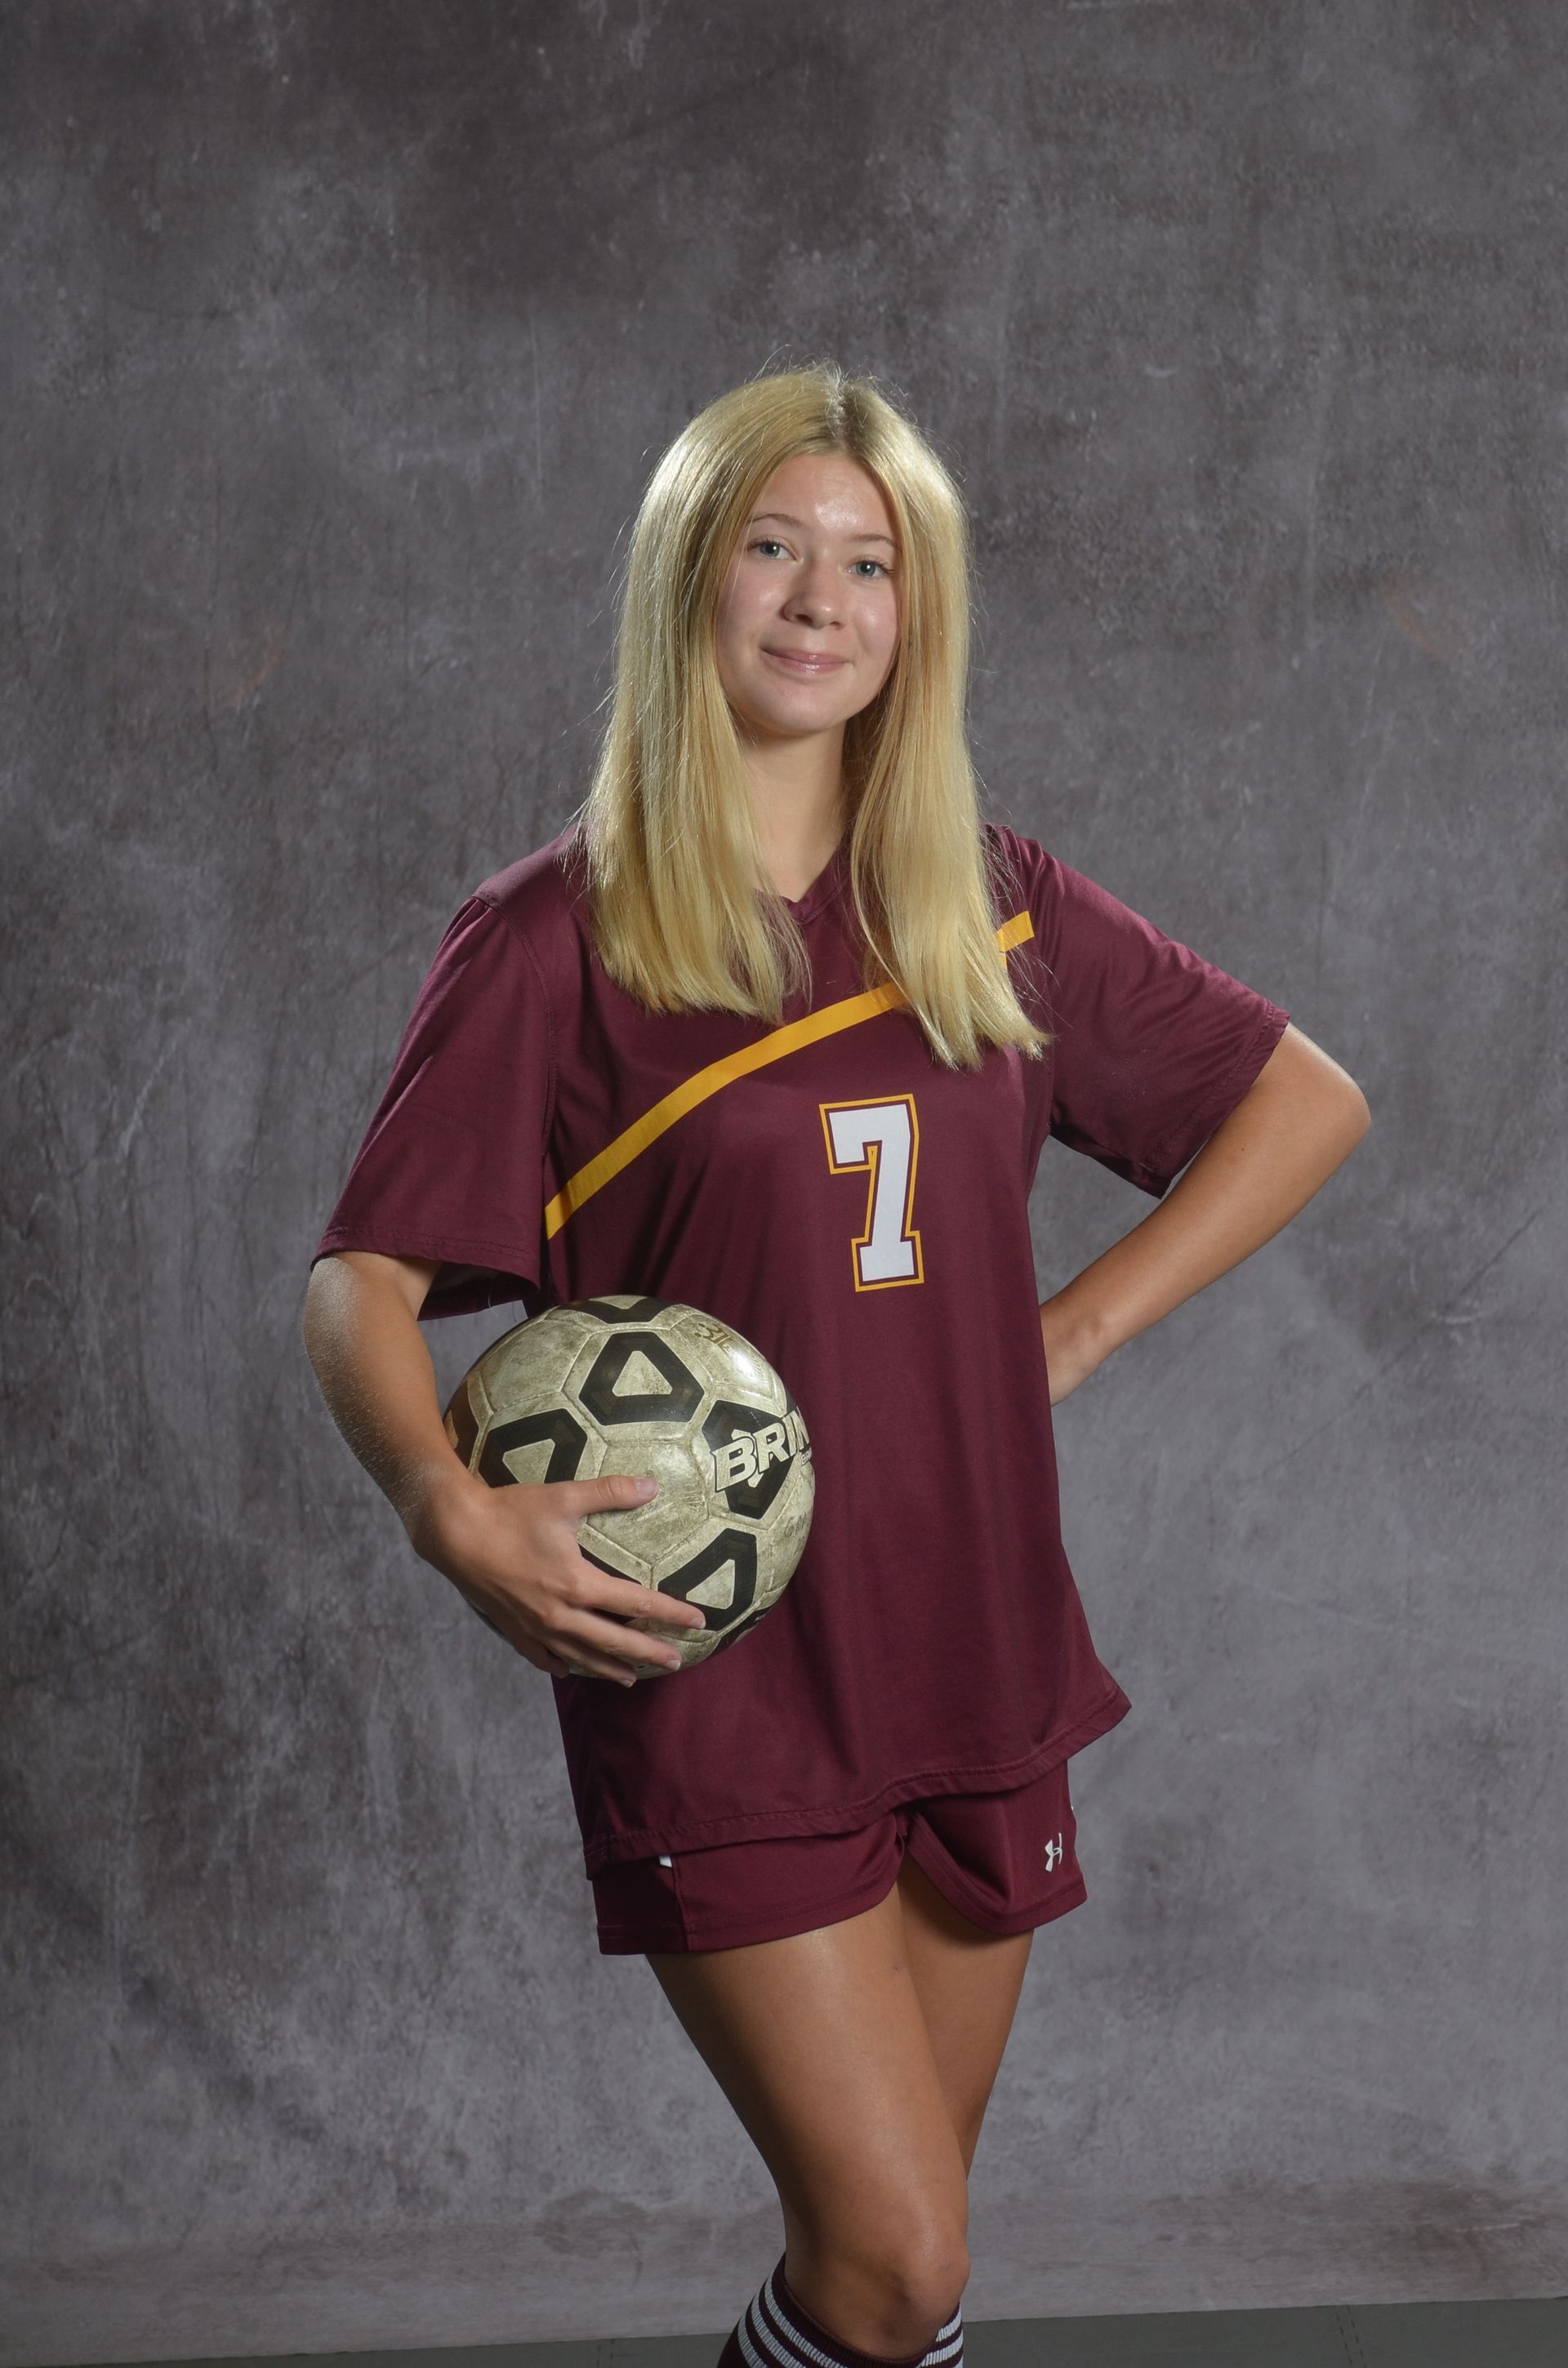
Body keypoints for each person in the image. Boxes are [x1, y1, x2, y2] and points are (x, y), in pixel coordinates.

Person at [302, 361, 1370, 2368]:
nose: (820, 597)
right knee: (899, 2256)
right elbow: (359, 1279)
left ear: (918, 611)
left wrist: (1073, 1331)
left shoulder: (991, 897)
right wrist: (452, 1506)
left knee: (895, 2287)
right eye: (773, 547)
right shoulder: (559, 934)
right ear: (689, 582)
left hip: (976, 1631)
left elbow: (1304, 1100)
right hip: (723, 1670)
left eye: (869, 561)